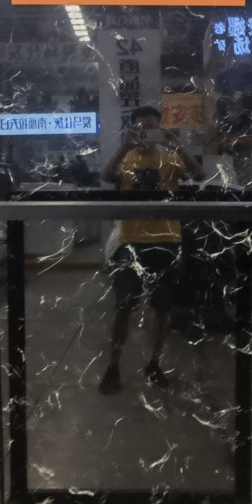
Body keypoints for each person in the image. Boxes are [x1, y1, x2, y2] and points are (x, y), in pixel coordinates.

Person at [98, 106, 206, 394]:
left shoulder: (170, 158)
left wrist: (178, 145)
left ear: (160, 130)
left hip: (167, 240)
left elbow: (199, 175)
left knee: (161, 308)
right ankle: (113, 365)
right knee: (123, 307)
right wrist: (125, 146)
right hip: (131, 240)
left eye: (151, 128)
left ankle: (154, 363)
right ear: (132, 129)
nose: (146, 133)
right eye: (140, 128)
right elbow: (107, 176)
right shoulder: (126, 157)